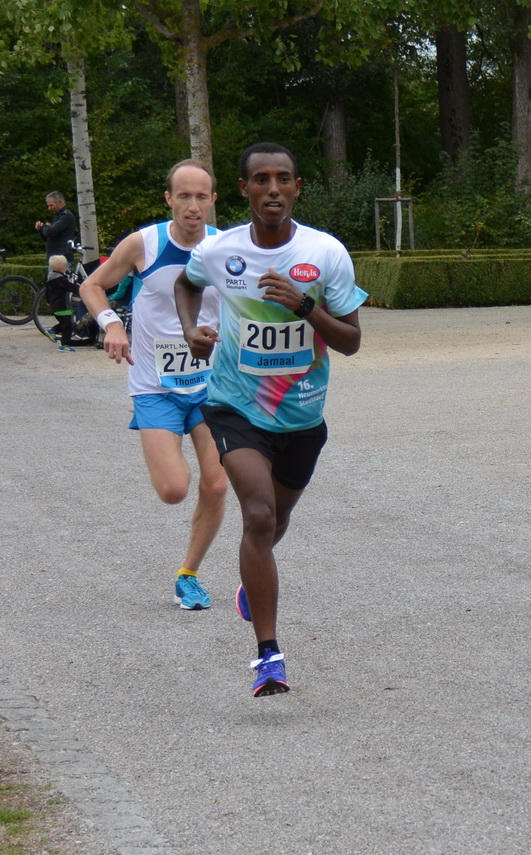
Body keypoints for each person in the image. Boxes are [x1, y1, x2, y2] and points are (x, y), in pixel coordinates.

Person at [175, 141, 368, 697]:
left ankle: (250, 579)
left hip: (303, 415)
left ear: (297, 188)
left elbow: (352, 342)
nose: (273, 189)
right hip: (235, 407)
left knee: (273, 525)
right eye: (261, 180)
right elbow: (186, 284)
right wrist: (192, 329)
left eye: (284, 179)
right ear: (244, 190)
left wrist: (305, 307)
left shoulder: (326, 253)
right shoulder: (221, 251)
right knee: (257, 516)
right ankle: (268, 656)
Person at [78, 160, 229, 612]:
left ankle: (189, 574)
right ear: (169, 199)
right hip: (155, 386)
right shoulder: (145, 243)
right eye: (183, 196)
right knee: (174, 491)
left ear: (214, 200)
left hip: (211, 387)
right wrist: (111, 325)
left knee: (218, 485)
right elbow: (92, 286)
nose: (193, 205)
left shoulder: (227, 248)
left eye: (201, 196)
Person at [36, 192, 81, 348]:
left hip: (62, 258)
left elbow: (51, 232)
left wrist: (44, 228)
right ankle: (62, 325)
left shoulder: (66, 216)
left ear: (60, 202)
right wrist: (42, 229)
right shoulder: (58, 216)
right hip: (55, 258)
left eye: (51, 205)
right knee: (58, 288)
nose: (49, 208)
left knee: (62, 288)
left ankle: (63, 326)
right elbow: (47, 236)